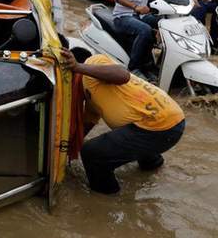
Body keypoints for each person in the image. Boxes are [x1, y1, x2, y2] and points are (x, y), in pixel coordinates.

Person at [60, 48, 185, 195]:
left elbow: (122, 74)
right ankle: (153, 165)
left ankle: (107, 199)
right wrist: (65, 147)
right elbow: (85, 127)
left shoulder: (94, 62)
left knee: (91, 153)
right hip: (167, 118)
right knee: (123, 134)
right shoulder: (90, 99)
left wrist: (78, 67)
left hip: (159, 125)